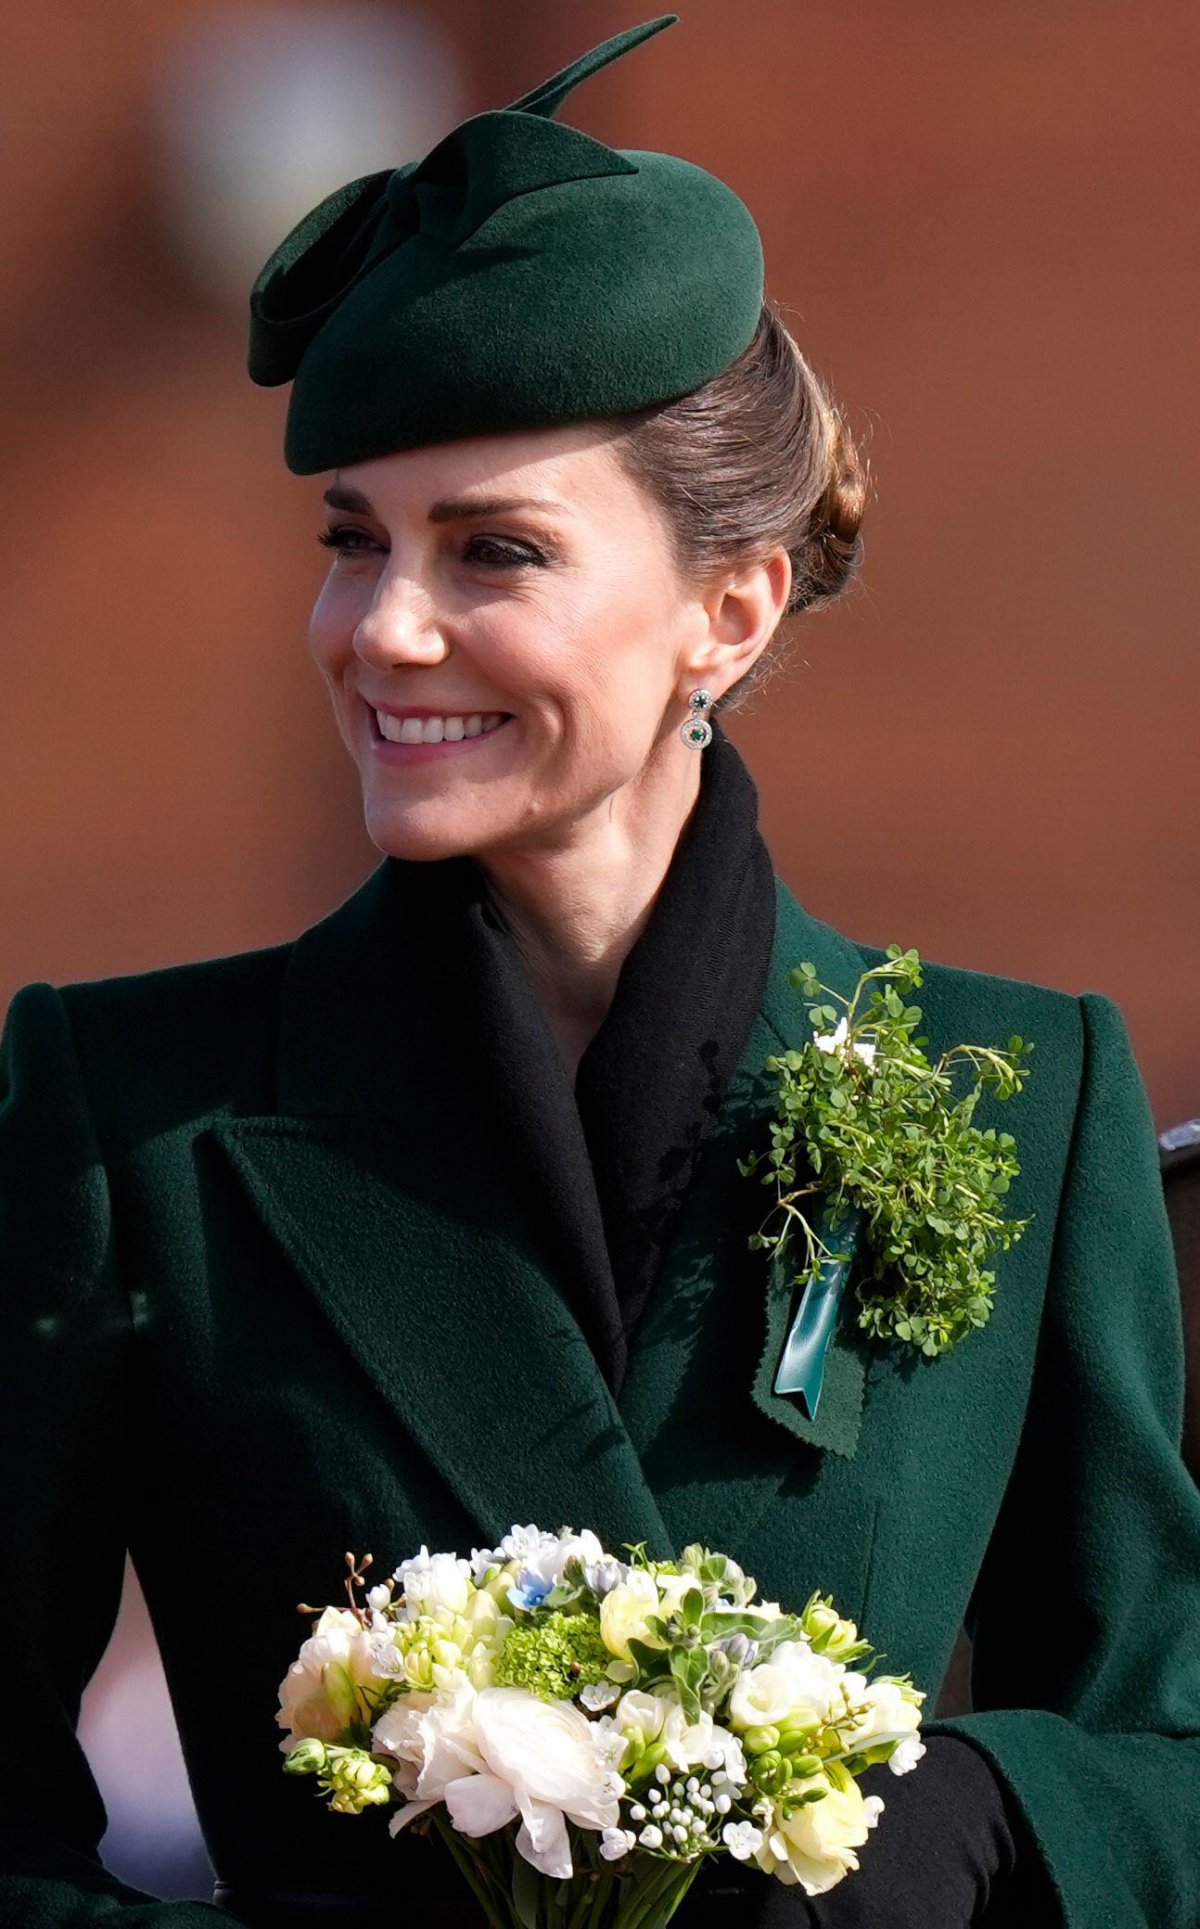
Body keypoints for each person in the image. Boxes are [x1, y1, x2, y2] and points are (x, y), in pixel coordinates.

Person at [1, 16, 1197, 1928]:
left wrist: (979, 1818)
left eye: (493, 552)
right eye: (352, 541)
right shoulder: (129, 1110)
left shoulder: (1023, 1091)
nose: (381, 629)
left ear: (729, 609)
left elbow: (1170, 1741)